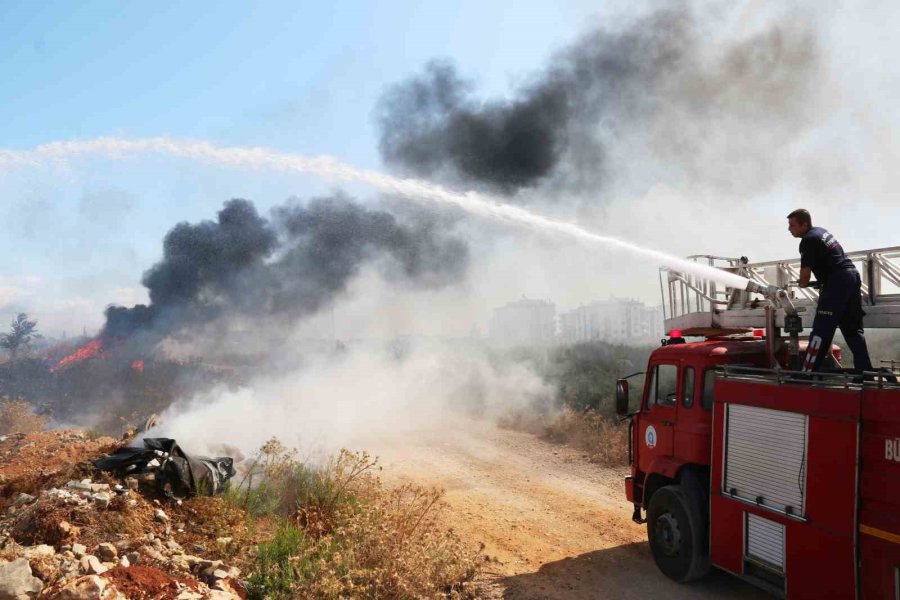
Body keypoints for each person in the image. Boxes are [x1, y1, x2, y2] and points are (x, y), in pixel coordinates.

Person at [787, 209, 873, 372]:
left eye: (792, 225)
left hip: (837, 283)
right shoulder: (821, 232)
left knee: (821, 332)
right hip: (852, 277)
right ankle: (865, 373)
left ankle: (807, 373)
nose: (789, 229)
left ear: (804, 224)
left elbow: (804, 275)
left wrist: (802, 284)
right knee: (852, 330)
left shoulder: (808, 240)